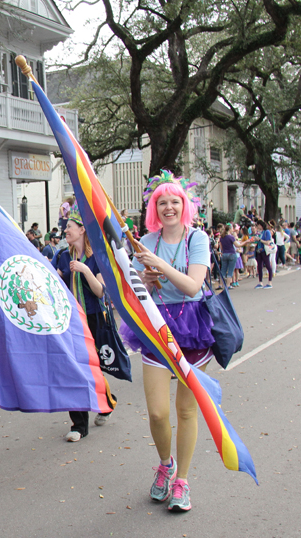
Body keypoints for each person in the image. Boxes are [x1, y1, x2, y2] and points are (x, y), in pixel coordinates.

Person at [119, 172, 215, 513]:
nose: (169, 207)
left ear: (184, 205)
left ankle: (182, 481)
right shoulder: (145, 241)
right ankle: (165, 465)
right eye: (162, 202)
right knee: (158, 412)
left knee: (186, 410)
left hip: (192, 327)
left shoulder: (197, 238)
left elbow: (193, 286)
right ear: (154, 208)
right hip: (157, 328)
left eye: (175, 201)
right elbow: (132, 291)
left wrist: (159, 264)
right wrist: (143, 278)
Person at [51, 207, 117, 441]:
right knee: (73, 368)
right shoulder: (62, 255)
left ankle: (106, 402)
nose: (65, 230)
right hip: (69, 320)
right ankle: (78, 425)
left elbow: (101, 293)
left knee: (93, 368)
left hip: (93, 317)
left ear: (81, 230)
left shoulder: (96, 257)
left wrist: (86, 271)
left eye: (69, 226)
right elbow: (53, 281)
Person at [253, 220, 274, 289]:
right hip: (259, 251)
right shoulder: (259, 233)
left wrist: (259, 240)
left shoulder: (266, 232)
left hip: (265, 250)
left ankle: (270, 282)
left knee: (268, 265)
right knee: (259, 266)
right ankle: (260, 282)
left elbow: (268, 242)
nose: (257, 226)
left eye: (258, 225)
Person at [218, 224, 238, 288]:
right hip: (232, 253)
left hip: (224, 254)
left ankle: (221, 284)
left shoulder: (222, 237)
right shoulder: (231, 237)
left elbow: (221, 248)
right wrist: (246, 242)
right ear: (230, 229)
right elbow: (237, 245)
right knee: (230, 270)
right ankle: (228, 284)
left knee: (223, 270)